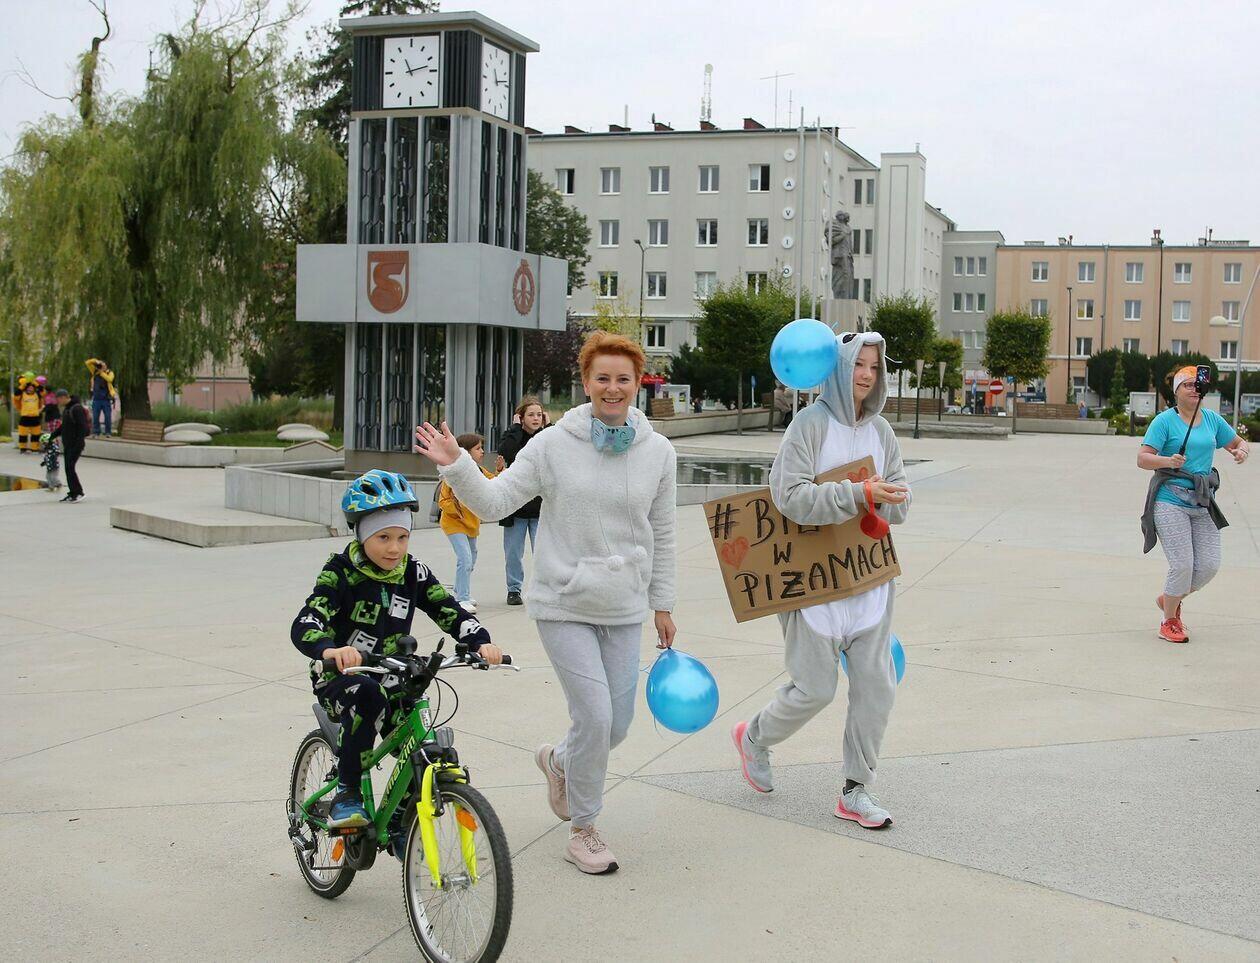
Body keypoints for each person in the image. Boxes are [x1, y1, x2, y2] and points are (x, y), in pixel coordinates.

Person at [415, 330, 677, 875]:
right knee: (595, 715)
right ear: (585, 382)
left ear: (638, 384)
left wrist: (663, 603)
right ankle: (584, 828)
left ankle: (558, 761)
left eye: (623, 379)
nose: (612, 388)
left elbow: (664, 531)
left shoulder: (658, 452)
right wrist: (457, 464)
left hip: (624, 605)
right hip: (563, 601)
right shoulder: (553, 444)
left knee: (616, 725)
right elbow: (495, 502)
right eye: (602, 378)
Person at [732, 332, 911, 829]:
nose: (866, 375)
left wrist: (891, 501)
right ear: (838, 367)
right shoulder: (808, 426)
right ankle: (754, 738)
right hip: (813, 581)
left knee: (877, 687)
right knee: (815, 689)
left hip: (869, 578)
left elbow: (901, 495)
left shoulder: (882, 432)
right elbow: (788, 496)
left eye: (874, 367)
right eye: (858, 364)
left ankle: (856, 790)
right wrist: (857, 494)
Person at [290, 469, 502, 830]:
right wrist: (330, 650)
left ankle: (402, 824)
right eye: (383, 537)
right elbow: (306, 621)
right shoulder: (339, 573)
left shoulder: (412, 572)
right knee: (368, 695)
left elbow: (449, 610)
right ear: (361, 534)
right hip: (341, 676)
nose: (394, 548)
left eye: (403, 537)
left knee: (420, 735)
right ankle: (347, 792)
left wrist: (480, 641)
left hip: (393, 673)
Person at [1138, 367, 1249, 643]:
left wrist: (1241, 451)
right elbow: (1143, 458)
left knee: (1209, 566)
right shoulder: (1164, 421)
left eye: (1197, 385)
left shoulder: (1212, 419)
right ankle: (1169, 621)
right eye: (1187, 385)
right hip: (1170, 499)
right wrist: (1167, 461)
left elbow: (1238, 442)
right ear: (1176, 391)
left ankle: (1170, 598)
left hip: (1202, 500)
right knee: (1183, 565)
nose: (1193, 389)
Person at [496, 397, 550, 606]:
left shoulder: (546, 437)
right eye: (531, 415)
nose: (536, 418)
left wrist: (548, 427)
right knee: (513, 553)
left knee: (544, 552)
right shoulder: (512, 435)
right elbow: (508, 452)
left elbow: (557, 454)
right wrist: (516, 429)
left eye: (539, 414)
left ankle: (544, 589)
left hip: (540, 508)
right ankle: (514, 589)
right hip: (516, 507)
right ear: (521, 417)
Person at [437, 433, 495, 613]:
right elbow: (443, 501)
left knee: (471, 558)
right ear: (466, 452)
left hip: (471, 525)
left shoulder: (480, 471)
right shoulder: (453, 473)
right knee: (465, 558)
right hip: (454, 524)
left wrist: (501, 471)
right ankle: (462, 598)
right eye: (478, 448)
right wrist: (460, 508)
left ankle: (460, 591)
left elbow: (495, 484)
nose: (482, 451)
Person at [48, 389, 89, 502]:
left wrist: (79, 443)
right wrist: (52, 436)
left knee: (70, 468)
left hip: (75, 444)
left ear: (63, 397)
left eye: (58, 399)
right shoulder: (67, 409)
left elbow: (82, 427)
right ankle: (73, 492)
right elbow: (64, 427)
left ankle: (78, 492)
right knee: (68, 468)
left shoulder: (76, 408)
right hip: (68, 444)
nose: (58, 402)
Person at [84, 358, 117, 437]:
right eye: (101, 365)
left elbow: (110, 379)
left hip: (106, 399)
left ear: (106, 366)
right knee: (95, 417)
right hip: (96, 399)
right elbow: (87, 363)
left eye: (103, 365)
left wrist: (101, 372)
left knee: (107, 417)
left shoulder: (109, 372)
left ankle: (108, 432)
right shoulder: (95, 372)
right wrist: (96, 361)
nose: (102, 366)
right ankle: (96, 432)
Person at [13, 379, 43, 453]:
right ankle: (23, 449)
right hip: (25, 417)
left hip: (35, 417)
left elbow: (43, 391)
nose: (30, 389)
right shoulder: (22, 394)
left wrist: (35, 383)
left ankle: (34, 449)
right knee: (23, 434)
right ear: (26, 388)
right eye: (29, 387)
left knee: (36, 434)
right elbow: (16, 395)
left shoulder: (37, 394)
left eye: (32, 387)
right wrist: (23, 385)